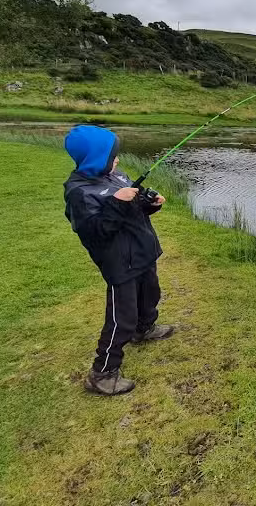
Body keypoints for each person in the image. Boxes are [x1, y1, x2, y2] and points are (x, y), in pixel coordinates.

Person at [63, 125, 174, 396]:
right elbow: (95, 233)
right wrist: (116, 204)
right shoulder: (79, 192)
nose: (118, 160)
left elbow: (133, 208)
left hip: (143, 253)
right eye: (112, 156)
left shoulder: (117, 176)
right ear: (95, 158)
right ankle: (102, 373)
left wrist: (150, 203)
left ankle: (144, 329)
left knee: (150, 294)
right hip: (119, 263)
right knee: (120, 318)